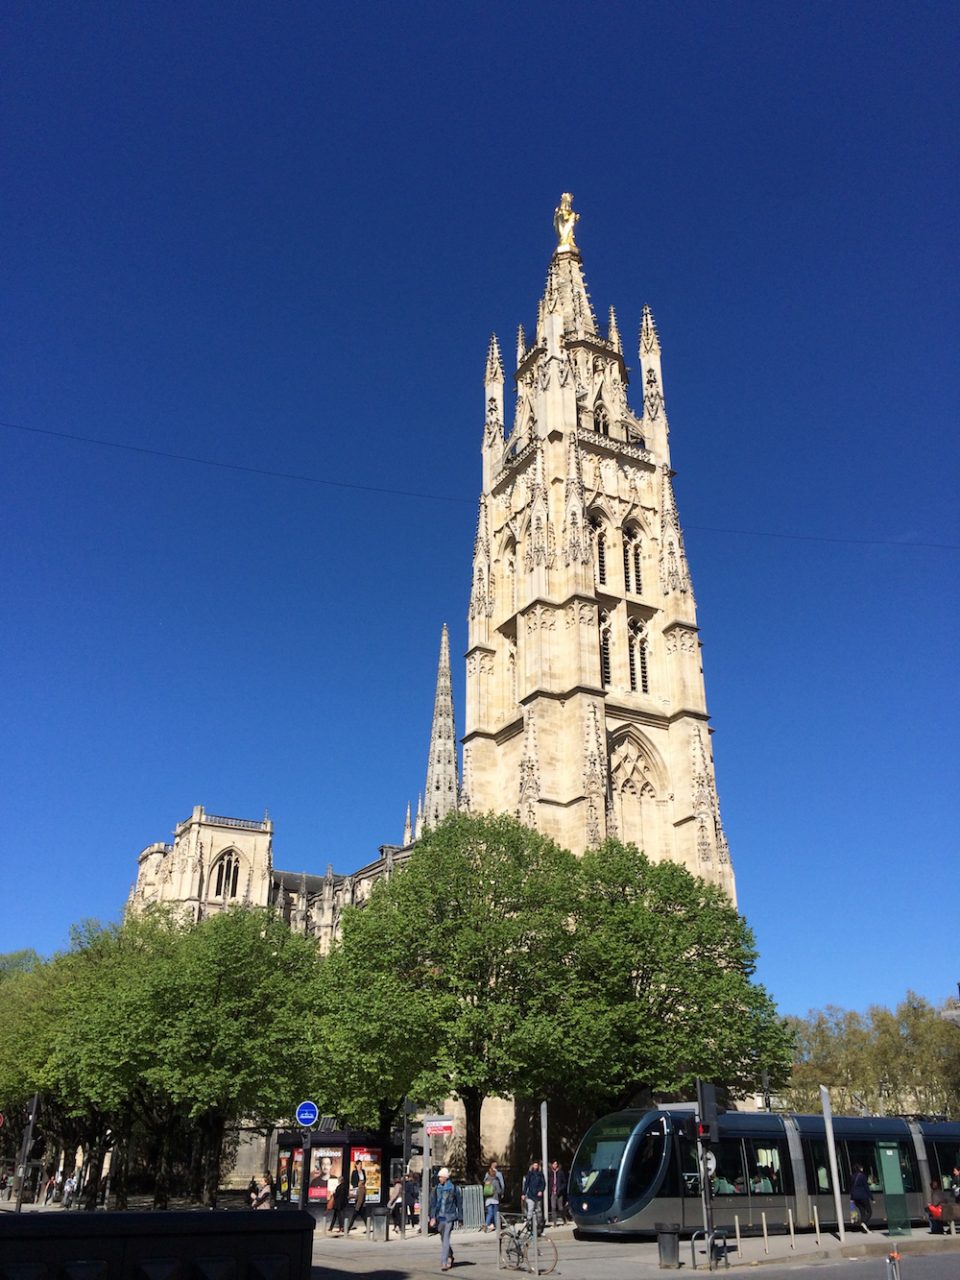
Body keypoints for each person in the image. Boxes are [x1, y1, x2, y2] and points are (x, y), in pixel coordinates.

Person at [428, 1166, 462, 1271]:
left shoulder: (453, 1188)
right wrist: (432, 1217)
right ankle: (450, 1255)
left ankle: (444, 1262)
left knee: (446, 1238)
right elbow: (433, 1204)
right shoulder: (436, 1189)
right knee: (443, 1239)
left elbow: (459, 1203)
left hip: (449, 1217)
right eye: (439, 1177)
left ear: (446, 1177)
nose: (439, 1179)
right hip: (440, 1217)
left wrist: (460, 1218)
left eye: (441, 1177)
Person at [344, 1161, 366, 1234]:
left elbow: (365, 1179)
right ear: (356, 1165)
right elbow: (352, 1182)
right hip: (357, 1189)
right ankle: (367, 1226)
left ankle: (349, 1228)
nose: (360, 1166)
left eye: (361, 1164)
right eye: (359, 1164)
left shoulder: (363, 1171)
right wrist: (351, 1195)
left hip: (360, 1191)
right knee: (362, 1214)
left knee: (357, 1213)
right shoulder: (354, 1172)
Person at [482, 1160, 505, 1231]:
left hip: (488, 1199)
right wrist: (502, 1193)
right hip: (495, 1199)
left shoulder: (487, 1181)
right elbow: (499, 1190)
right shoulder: (495, 1181)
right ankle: (497, 1226)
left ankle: (486, 1224)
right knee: (495, 1213)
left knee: (489, 1213)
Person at [522, 1160, 545, 1228]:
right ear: (532, 1166)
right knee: (530, 1209)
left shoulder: (540, 1174)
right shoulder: (529, 1174)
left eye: (537, 1165)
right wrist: (523, 1193)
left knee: (538, 1210)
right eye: (534, 1165)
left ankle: (539, 1223)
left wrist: (541, 1191)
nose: (535, 1167)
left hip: (538, 1195)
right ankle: (528, 1223)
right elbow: (526, 1184)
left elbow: (543, 1184)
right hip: (530, 1195)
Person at [849, 1163, 872, 1229]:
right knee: (869, 1211)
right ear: (860, 1168)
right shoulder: (862, 1176)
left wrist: (852, 1198)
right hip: (863, 1196)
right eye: (861, 1168)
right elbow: (866, 1187)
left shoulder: (852, 1176)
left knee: (862, 1212)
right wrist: (872, 1198)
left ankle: (864, 1227)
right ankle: (863, 1222)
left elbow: (852, 1187)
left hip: (855, 1197)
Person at [547, 1160, 567, 1226]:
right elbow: (548, 1181)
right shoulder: (550, 1173)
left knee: (560, 1208)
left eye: (556, 1164)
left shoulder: (560, 1173)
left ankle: (564, 1219)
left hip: (559, 1193)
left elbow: (564, 1182)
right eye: (554, 1164)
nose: (555, 1165)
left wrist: (560, 1189)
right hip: (553, 1192)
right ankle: (554, 1223)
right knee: (553, 1208)